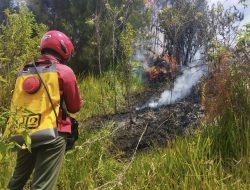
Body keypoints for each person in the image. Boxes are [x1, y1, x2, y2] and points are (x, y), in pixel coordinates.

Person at [8, 30, 83, 189]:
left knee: (16, 181)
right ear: (64, 49)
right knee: (42, 186)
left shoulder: (23, 71)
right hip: (52, 135)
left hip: (25, 134)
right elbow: (75, 107)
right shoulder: (64, 71)